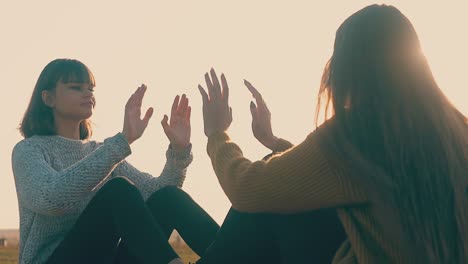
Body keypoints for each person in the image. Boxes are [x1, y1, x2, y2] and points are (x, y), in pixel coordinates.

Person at [197, 4, 468, 264]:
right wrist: (275, 142)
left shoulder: (361, 130)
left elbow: (249, 188)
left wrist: (217, 134)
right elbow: (339, 177)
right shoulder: (456, 128)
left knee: (273, 205)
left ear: (349, 69)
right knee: (284, 179)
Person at [12, 59, 219, 264]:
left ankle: (232, 256)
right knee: (118, 190)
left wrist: (179, 151)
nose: (88, 94)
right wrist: (124, 140)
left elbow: (156, 194)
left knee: (169, 197)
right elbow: (51, 199)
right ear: (48, 99)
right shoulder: (29, 151)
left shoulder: (101, 153)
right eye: (76, 87)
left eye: (91, 89)